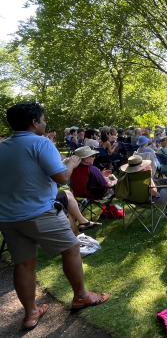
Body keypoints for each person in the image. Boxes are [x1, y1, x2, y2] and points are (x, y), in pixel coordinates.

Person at [0, 103, 109, 331]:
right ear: (34, 122)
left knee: (24, 264)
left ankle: (30, 314)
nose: (45, 122)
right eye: (43, 119)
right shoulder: (41, 142)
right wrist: (70, 163)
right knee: (71, 249)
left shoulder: (3, 146)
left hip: (8, 216)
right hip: (40, 212)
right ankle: (82, 296)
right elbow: (61, 178)